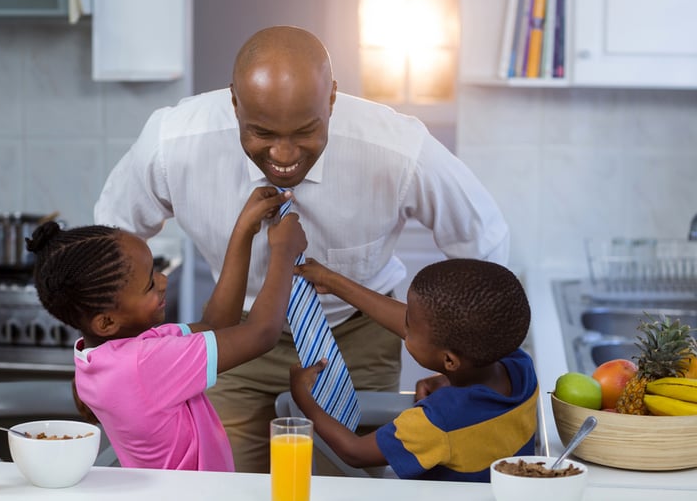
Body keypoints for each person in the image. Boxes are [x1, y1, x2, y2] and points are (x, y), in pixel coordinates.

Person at [93, 25, 510, 473]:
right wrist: (112, 359)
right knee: (220, 485)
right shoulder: (172, 143)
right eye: (262, 133)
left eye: (305, 132)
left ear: (331, 98)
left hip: (357, 343)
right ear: (234, 102)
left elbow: (483, 245)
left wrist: (462, 370)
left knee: (348, 489)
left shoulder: (397, 148)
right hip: (234, 340)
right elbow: (107, 244)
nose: (284, 153)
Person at [27, 186, 306, 471]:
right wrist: (283, 253)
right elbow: (261, 334)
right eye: (149, 284)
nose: (162, 281)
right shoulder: (143, 364)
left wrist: (245, 229)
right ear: (107, 322)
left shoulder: (103, 355)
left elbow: (216, 324)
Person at [289, 257, 538, 482]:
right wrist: (330, 281)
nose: (404, 327)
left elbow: (354, 452)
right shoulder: (521, 368)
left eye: (409, 326)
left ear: (450, 361)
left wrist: (305, 399)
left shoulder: (438, 421)